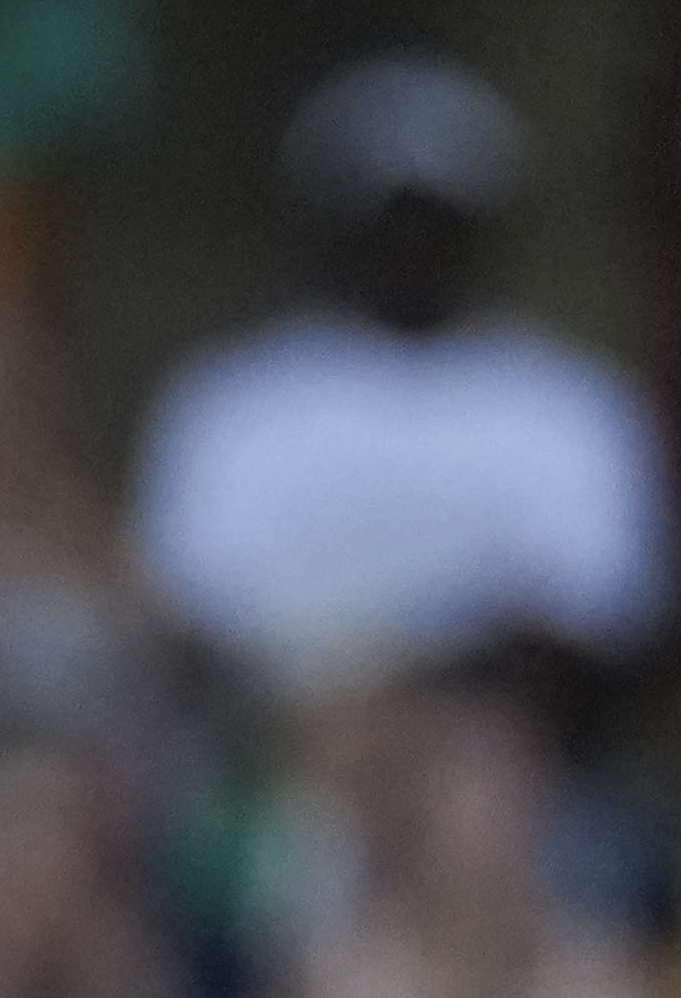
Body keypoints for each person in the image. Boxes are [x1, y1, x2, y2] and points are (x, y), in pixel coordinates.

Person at [127, 55, 664, 697]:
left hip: (515, 753)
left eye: (434, 221)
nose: (409, 246)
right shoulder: (237, 401)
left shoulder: (568, 406)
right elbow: (182, 612)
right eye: (385, 218)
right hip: (278, 746)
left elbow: (605, 618)